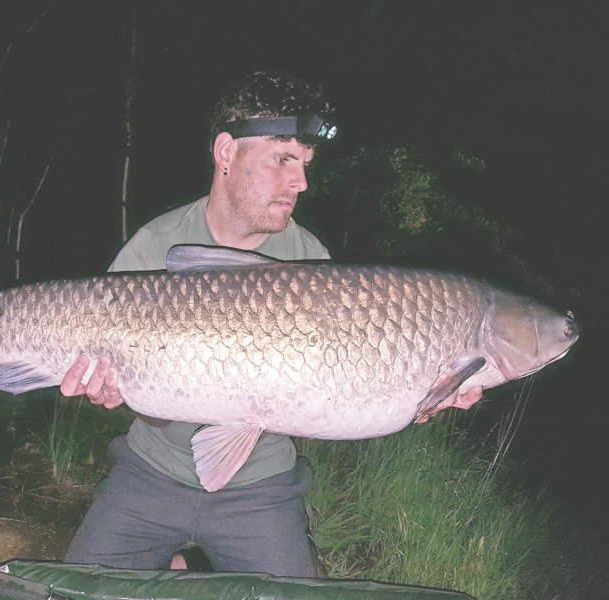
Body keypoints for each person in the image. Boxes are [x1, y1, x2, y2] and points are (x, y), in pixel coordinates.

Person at [59, 70, 482, 576]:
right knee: (70, 591)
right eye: (282, 159)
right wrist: (115, 392)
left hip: (262, 487)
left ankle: (187, 570)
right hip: (150, 473)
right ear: (225, 153)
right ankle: (184, 569)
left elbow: (344, 393)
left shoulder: (314, 265)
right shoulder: (157, 245)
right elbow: (122, 388)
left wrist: (425, 397)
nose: (301, 181)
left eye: (304, 164)